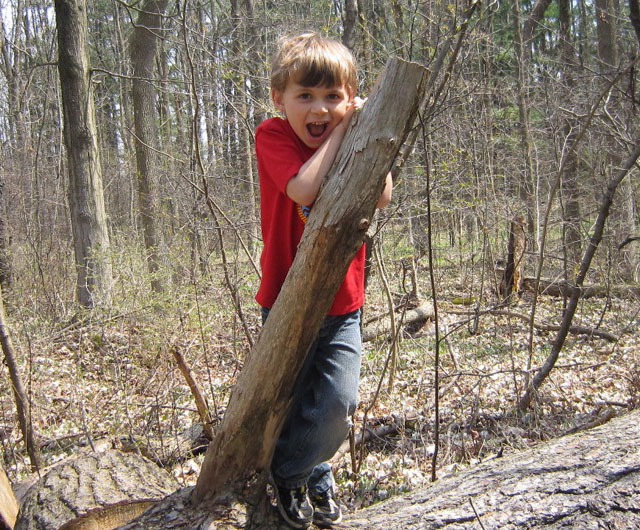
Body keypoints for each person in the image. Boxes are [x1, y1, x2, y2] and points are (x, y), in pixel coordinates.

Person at [255, 32, 392, 529]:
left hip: (343, 302)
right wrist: (342, 132)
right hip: (284, 298)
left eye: (333, 97)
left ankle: (293, 470)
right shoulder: (271, 135)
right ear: (279, 99)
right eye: (305, 96)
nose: (319, 109)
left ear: (349, 96)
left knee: (336, 400)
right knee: (288, 398)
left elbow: (382, 195)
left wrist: (368, 129)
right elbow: (303, 187)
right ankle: (307, 473)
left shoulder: (351, 131)